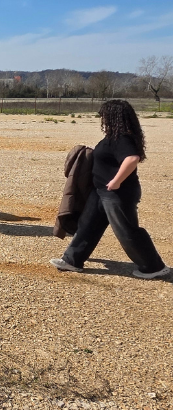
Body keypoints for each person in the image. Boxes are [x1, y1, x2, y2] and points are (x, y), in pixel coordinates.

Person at [50, 99, 169, 279]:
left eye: (105, 115)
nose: (102, 119)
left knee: (127, 230)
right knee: (88, 226)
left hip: (117, 193)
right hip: (100, 191)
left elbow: (132, 158)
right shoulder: (113, 137)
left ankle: (154, 267)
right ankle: (72, 260)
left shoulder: (122, 138)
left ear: (114, 117)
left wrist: (116, 181)